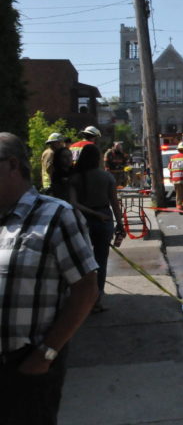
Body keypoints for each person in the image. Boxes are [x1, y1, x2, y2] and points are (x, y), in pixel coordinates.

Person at [0, 131, 99, 425]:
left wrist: (45, 355)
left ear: (12, 165)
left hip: (24, 367)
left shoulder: (57, 216)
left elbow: (86, 290)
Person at [69, 144, 125, 313]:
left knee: (82, 263)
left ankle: (80, 300)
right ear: (98, 159)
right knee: (100, 262)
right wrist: (120, 224)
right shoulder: (107, 177)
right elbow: (115, 203)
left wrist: (90, 212)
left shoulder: (75, 178)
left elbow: (72, 203)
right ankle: (96, 299)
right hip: (104, 220)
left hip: (80, 222)